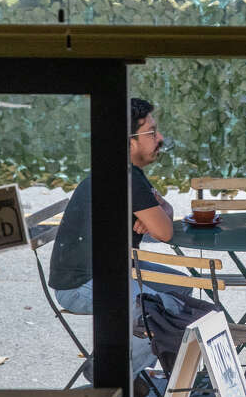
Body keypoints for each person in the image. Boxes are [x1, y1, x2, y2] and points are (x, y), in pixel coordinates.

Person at [47, 97, 191, 335]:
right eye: (151, 133)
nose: (161, 139)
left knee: (182, 289)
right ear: (130, 142)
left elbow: (166, 214)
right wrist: (155, 218)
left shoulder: (126, 170)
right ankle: (126, 371)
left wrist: (154, 216)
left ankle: (155, 368)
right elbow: (165, 232)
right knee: (162, 309)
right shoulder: (126, 178)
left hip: (116, 268)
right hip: (82, 284)